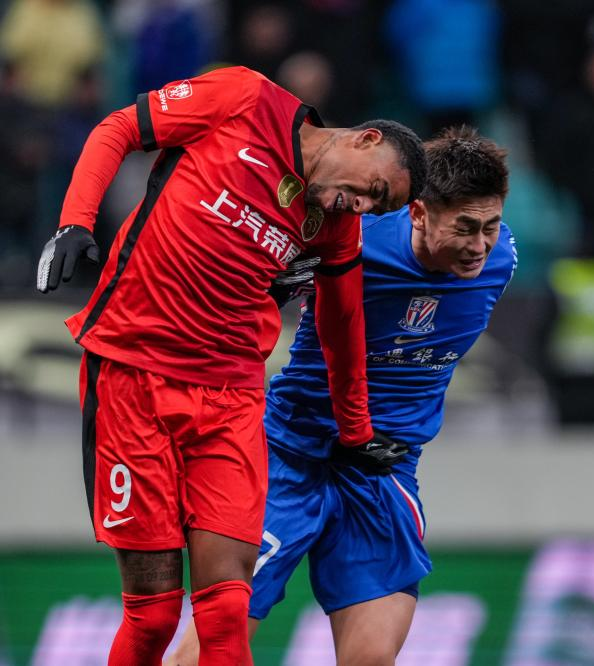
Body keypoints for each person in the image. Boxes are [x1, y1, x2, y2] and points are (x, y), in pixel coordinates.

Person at [35, 65, 426, 665]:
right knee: (154, 614)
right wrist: (75, 221)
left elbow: (342, 327)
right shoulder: (246, 98)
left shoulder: (334, 226)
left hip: (231, 399)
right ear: (365, 139)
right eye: (375, 189)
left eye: (379, 208)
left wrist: (356, 431)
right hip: (132, 374)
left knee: (224, 612)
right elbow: (119, 128)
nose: (364, 206)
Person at [166, 126, 514, 664]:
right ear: (418, 212)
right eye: (465, 228)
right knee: (207, 651)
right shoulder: (352, 241)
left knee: (371, 659)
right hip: (289, 456)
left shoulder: (502, 259)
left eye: (490, 226)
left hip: (382, 471)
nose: (479, 245)